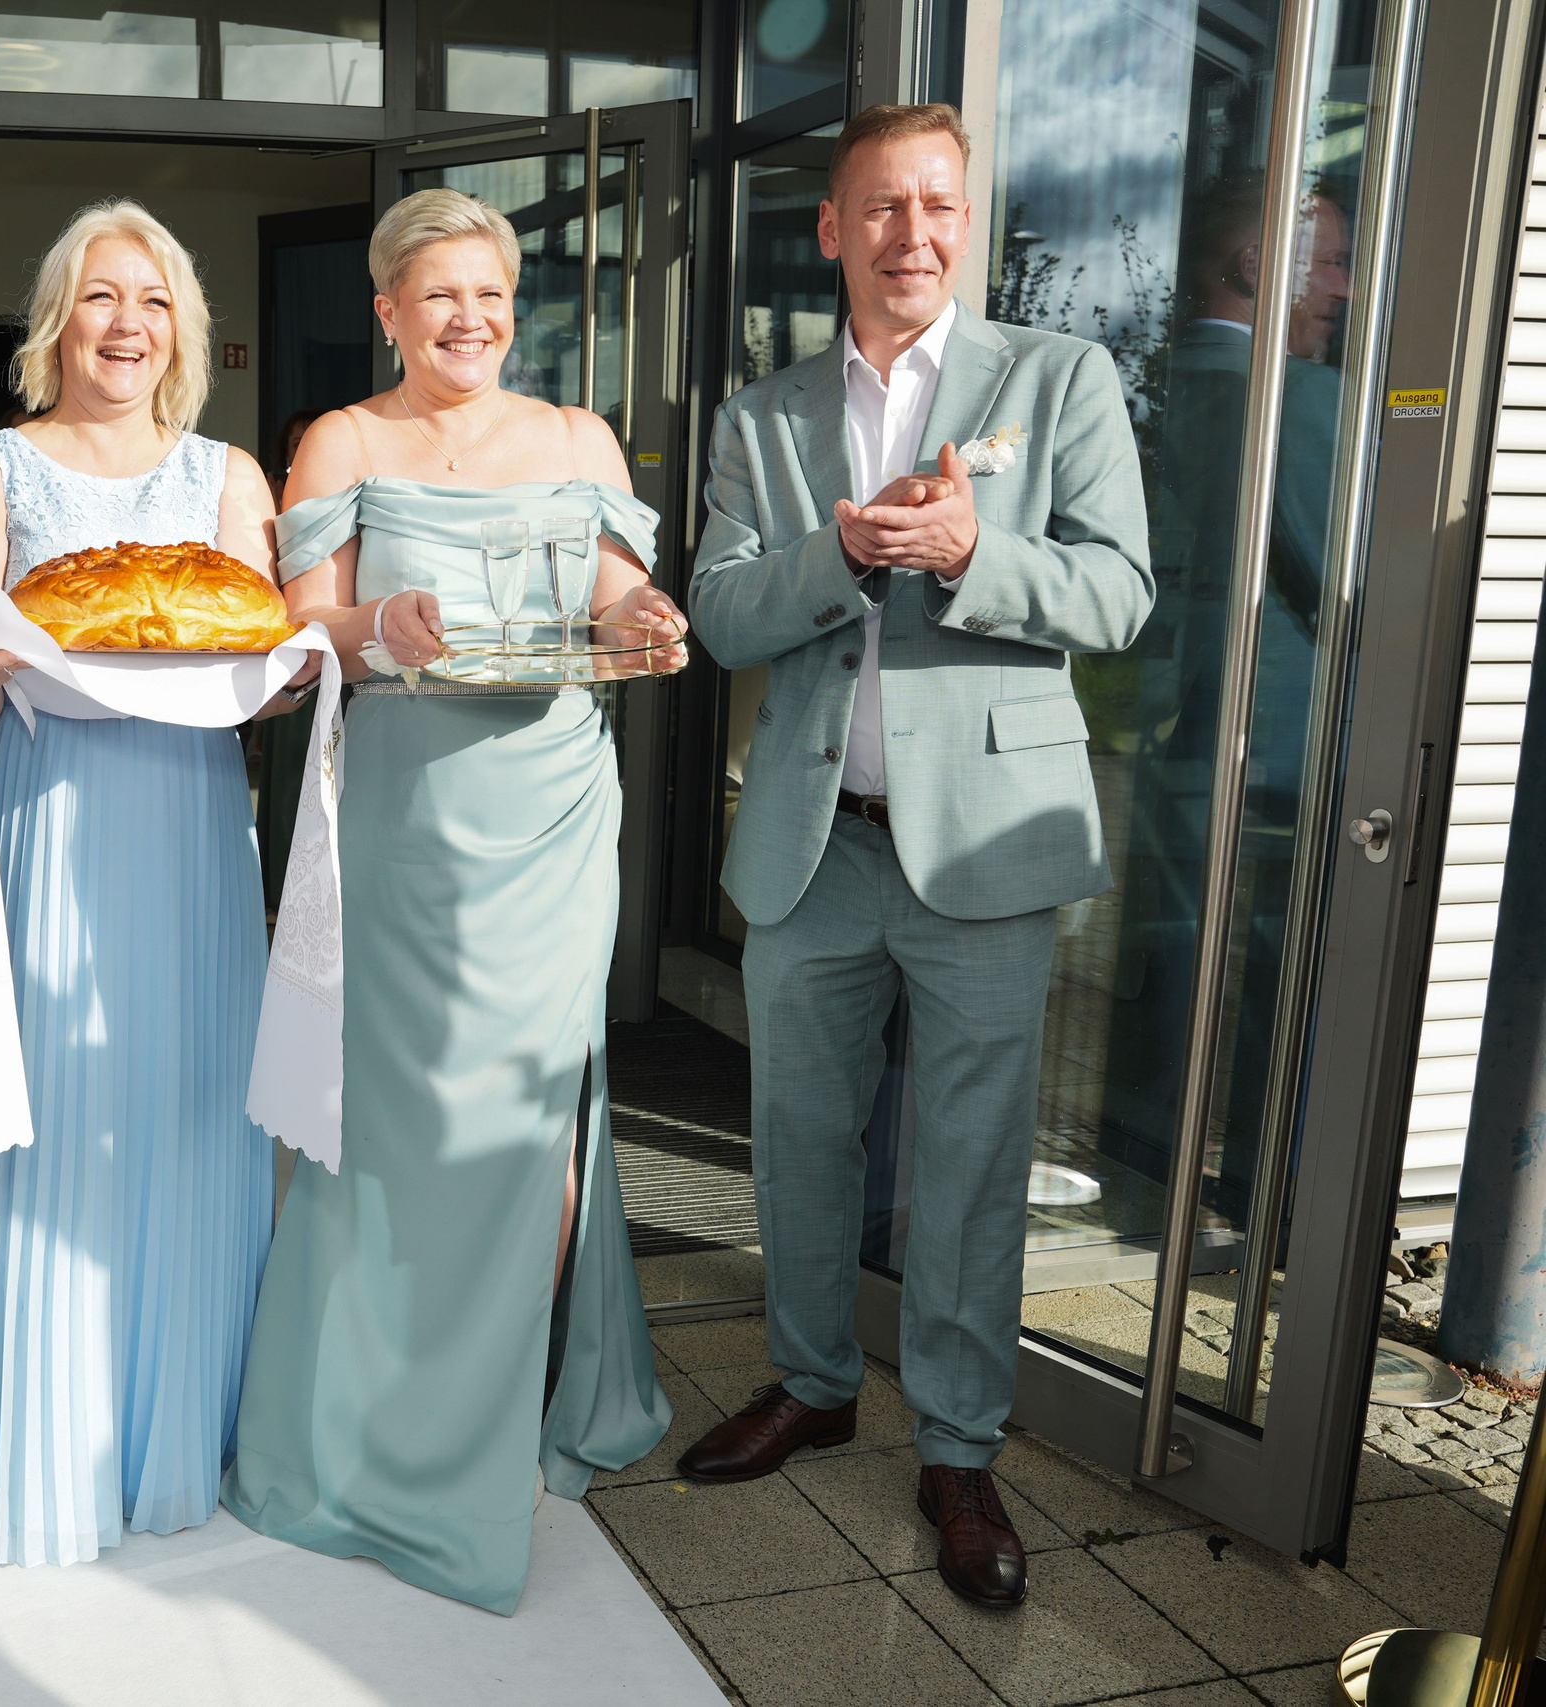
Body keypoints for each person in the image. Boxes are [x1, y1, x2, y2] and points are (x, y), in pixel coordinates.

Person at [677, 104, 1153, 1608]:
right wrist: (847, 556)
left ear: (968, 217)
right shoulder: (763, 414)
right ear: (830, 229)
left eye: (937, 205)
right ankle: (813, 1381)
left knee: (965, 1169)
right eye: (880, 207)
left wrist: (965, 553)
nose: (912, 233)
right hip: (814, 847)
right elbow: (723, 616)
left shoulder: (1058, 376)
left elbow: (1120, 596)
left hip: (987, 852)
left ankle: (959, 1447)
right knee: (802, 1140)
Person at [224, 187, 679, 1616]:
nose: (470, 320)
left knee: (530, 1111)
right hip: (408, 824)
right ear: (389, 311)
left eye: (490, 295)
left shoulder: (576, 441)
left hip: (553, 814)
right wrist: (371, 624)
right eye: (440, 298)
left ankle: (493, 1412)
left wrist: (647, 622)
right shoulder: (343, 441)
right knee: (399, 1120)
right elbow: (295, 630)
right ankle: (367, 1426)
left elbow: (614, 602)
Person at [0, 199, 291, 1565]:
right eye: (100, 296)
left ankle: (181, 1430)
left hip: (192, 842)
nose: (126, 323)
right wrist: (0, 665)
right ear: (56, 319)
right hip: (51, 838)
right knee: (51, 1129)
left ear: (185, 326)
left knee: (189, 1114)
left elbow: (260, 668)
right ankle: (40, 1444)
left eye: (154, 299)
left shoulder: (234, 480)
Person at [1104, 171, 1351, 1218]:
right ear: (1257, 264)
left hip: (1179, 725)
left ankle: (1134, 1168)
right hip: (1288, 743)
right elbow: (1349, 588)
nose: (1341, 287)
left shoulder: (1153, 387)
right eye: (1329, 261)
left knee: (1164, 955)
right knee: (1273, 978)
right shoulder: (1295, 398)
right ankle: (1261, 1194)